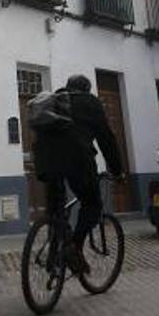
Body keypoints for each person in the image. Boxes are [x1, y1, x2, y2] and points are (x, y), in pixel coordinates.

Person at [31, 74, 125, 274]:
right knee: (92, 204)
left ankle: (53, 258)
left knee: (56, 212)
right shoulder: (90, 103)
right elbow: (106, 139)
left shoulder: (53, 101)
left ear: (67, 87)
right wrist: (117, 170)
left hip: (46, 161)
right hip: (77, 160)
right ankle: (74, 248)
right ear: (87, 89)